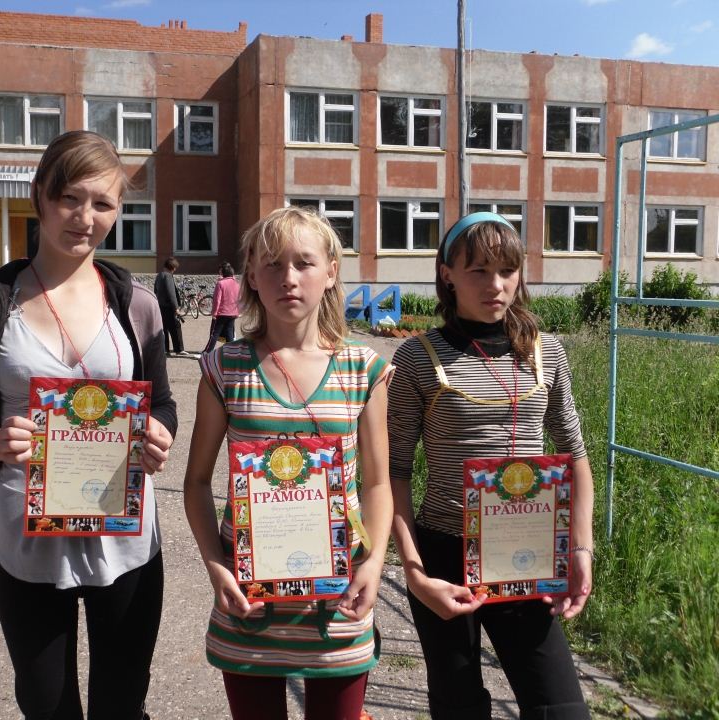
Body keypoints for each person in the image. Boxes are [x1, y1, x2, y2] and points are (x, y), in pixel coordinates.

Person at [0, 130, 177, 720]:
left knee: (122, 703)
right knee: (46, 706)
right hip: (30, 542)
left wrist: (159, 433)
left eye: (103, 203)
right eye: (70, 198)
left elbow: (163, 403)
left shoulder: (136, 304)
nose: (85, 218)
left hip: (124, 539)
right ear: (40, 196)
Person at [183, 206, 394, 720]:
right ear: (252, 276)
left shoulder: (362, 369)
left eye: (304, 262)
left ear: (331, 272)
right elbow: (196, 482)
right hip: (249, 601)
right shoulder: (225, 367)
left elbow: (378, 483)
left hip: (338, 602)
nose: (289, 278)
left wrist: (374, 563)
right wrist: (215, 567)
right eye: (273, 264)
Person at [387, 212, 595, 720]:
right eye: (478, 270)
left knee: (560, 708)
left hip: (527, 550)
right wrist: (414, 572)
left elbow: (575, 454)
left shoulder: (546, 352)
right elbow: (394, 472)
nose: (495, 285)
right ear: (447, 274)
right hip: (443, 554)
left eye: (507, 270)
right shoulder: (418, 358)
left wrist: (581, 548)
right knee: (459, 706)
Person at [202, 261, 241, 353]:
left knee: (214, 334)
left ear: (223, 273)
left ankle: (207, 352)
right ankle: (232, 352)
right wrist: (238, 311)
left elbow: (217, 300)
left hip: (222, 313)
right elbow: (239, 299)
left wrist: (214, 313)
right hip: (233, 313)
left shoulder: (220, 283)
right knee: (229, 334)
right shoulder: (237, 284)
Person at [154, 256, 187, 356]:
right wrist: (176, 308)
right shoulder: (168, 276)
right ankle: (179, 349)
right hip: (169, 306)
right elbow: (171, 293)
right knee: (176, 327)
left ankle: (165, 349)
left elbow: (155, 290)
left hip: (161, 305)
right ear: (172, 268)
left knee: (164, 328)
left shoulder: (159, 275)